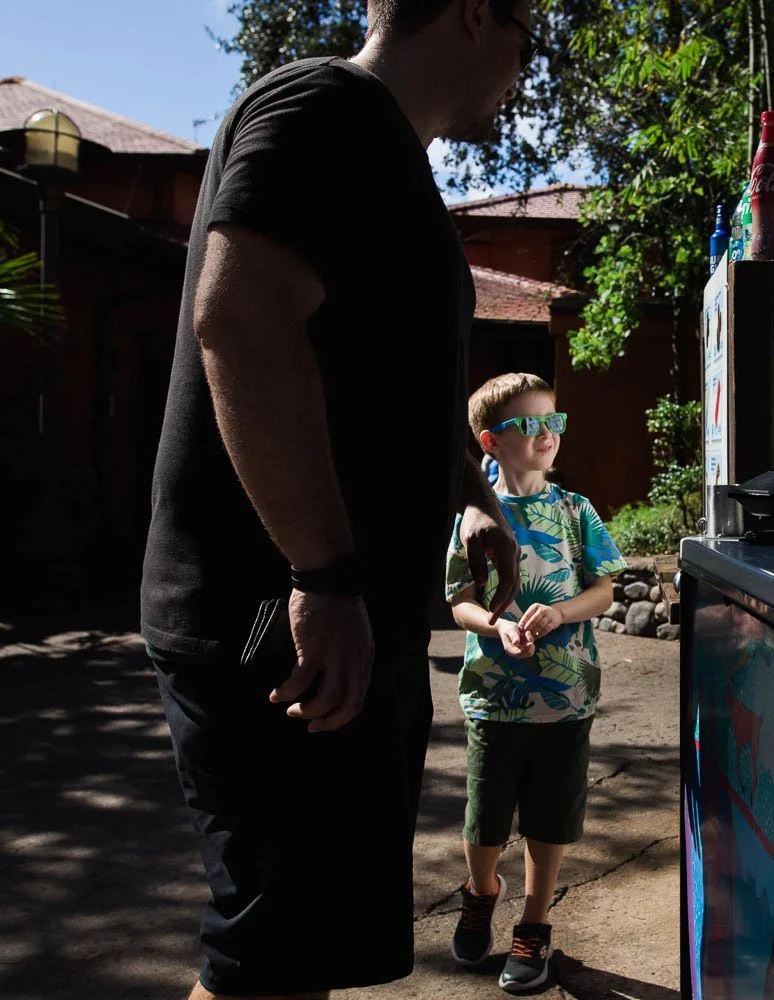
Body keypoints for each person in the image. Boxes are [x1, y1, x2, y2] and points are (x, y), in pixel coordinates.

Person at [139, 2, 534, 997]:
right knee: (264, 962)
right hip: (279, 623)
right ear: (474, 15)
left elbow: (378, 378)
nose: (528, 68)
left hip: (330, 618)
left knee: (295, 953)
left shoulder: (384, 152)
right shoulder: (327, 108)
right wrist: (323, 573)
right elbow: (238, 320)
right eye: (529, 33)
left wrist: (472, 492)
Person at [445, 373, 626, 992]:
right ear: (490, 441)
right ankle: (480, 891)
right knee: (485, 817)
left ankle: (534, 924)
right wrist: (494, 629)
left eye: (555, 421)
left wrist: (560, 611)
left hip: (566, 695)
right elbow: (459, 601)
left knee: (551, 817)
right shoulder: (474, 516)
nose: (548, 434)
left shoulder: (575, 511)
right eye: (531, 424)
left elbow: (604, 591)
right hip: (494, 696)